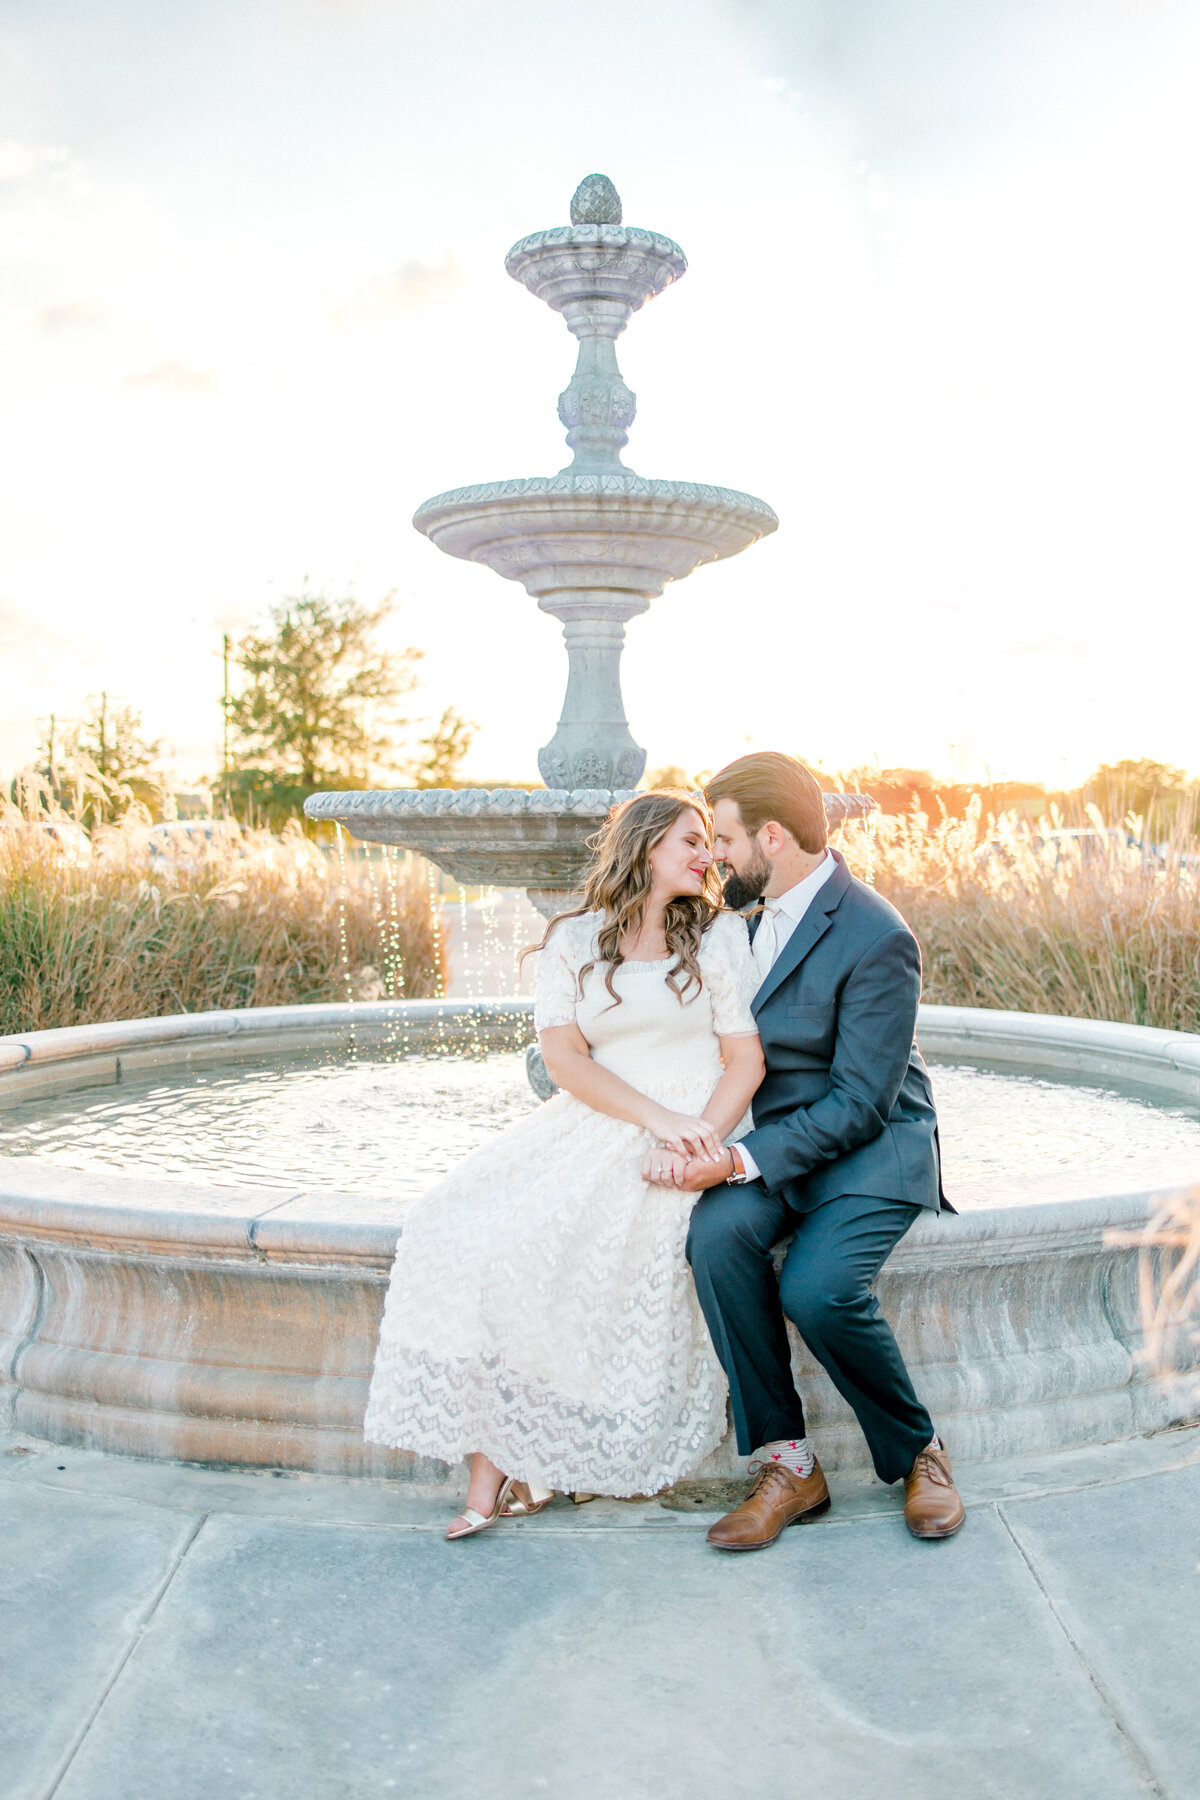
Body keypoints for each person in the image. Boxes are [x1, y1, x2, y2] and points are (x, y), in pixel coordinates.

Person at [363, 790, 764, 1538]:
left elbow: (745, 1056)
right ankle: (503, 1461)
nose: (707, 854)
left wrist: (701, 1138)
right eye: (690, 840)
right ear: (646, 846)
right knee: (465, 1230)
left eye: (710, 841)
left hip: (697, 1120)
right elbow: (564, 1058)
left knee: (579, 1248)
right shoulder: (573, 939)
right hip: (608, 1114)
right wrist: (656, 1121)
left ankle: (505, 1474)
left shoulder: (717, 936)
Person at [671, 751, 965, 1548]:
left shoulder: (875, 934)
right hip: (776, 1143)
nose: (716, 857)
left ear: (771, 835)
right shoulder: (737, 917)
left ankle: (919, 1452)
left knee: (818, 1289)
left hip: (870, 1148)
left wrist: (736, 1161)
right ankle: (791, 1464)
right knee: (715, 1238)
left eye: (725, 838)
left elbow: (860, 1103)